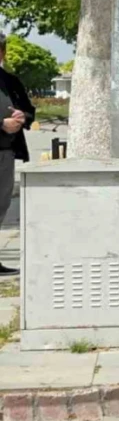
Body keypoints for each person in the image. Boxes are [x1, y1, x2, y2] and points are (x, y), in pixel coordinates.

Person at [0, 34, 36, 276]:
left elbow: (29, 109)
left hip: (6, 153)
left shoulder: (10, 81)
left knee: (1, 206)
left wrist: (23, 118)